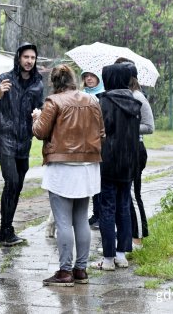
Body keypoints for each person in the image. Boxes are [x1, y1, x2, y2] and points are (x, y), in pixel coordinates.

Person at [32, 64, 105, 287]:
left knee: (63, 222)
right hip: (88, 165)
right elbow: (101, 132)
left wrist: (36, 117)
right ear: (74, 79)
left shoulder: (53, 102)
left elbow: (40, 132)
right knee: (81, 219)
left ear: (54, 82)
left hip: (62, 166)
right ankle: (81, 270)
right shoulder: (92, 100)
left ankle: (64, 272)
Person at [0, 42, 44, 246]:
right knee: (11, 181)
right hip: (5, 139)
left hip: (24, 142)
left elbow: (41, 109)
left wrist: (39, 114)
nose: (29, 61)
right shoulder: (4, 79)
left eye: (32, 58)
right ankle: (5, 230)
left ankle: (6, 230)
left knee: (17, 186)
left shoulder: (38, 83)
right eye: (26, 57)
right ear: (18, 58)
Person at [91, 63, 141, 271]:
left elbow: (98, 132)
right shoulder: (135, 101)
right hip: (129, 163)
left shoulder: (104, 101)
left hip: (108, 163)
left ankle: (108, 259)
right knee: (124, 207)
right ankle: (121, 255)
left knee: (107, 208)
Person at [114, 59, 154, 249]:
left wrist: (128, 128)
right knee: (121, 196)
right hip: (120, 151)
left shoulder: (138, 97)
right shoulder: (120, 96)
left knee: (132, 193)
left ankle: (138, 238)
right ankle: (125, 238)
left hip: (135, 151)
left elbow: (150, 126)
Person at [81, 70, 105, 230]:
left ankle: (100, 214)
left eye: (92, 76)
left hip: (99, 141)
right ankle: (93, 214)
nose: (89, 78)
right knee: (89, 179)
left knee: (100, 179)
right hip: (84, 142)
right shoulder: (80, 95)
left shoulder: (104, 95)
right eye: (86, 76)